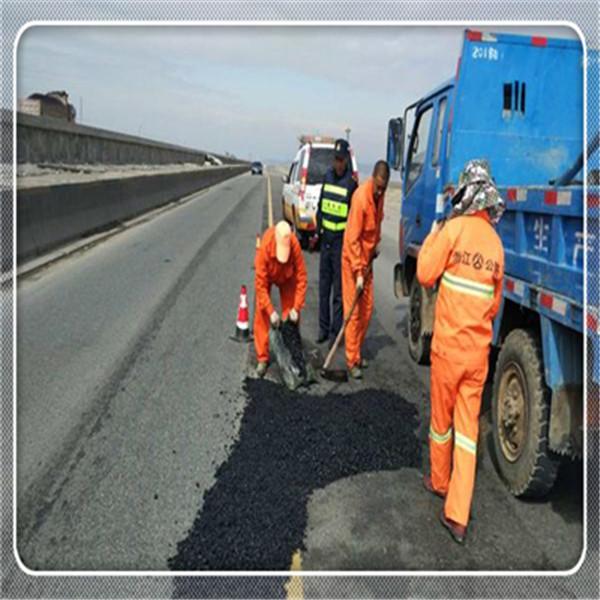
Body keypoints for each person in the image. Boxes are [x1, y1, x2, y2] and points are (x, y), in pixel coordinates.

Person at [417, 159, 505, 544]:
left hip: (449, 351)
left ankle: (439, 481)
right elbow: (494, 305)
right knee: (468, 432)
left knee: (441, 423)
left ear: (467, 193)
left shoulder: (452, 231)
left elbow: (424, 274)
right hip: (477, 356)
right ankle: (457, 515)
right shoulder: (496, 246)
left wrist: (435, 235)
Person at [341, 160, 389, 379]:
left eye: (384, 187)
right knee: (353, 311)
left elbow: (375, 226)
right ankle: (351, 361)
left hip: (367, 261)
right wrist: (359, 271)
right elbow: (352, 240)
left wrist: (376, 245)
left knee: (367, 311)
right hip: (353, 261)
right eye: (378, 186)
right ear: (373, 179)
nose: (380, 191)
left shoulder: (380, 196)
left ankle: (357, 352)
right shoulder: (361, 198)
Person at [313, 138, 358, 345]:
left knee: (338, 293)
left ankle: (334, 333)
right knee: (324, 288)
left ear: (347, 160)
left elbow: (354, 219)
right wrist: (318, 230)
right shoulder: (327, 177)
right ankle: (323, 329)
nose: (338, 163)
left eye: (341, 160)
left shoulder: (351, 184)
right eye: (335, 159)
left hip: (340, 244)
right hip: (326, 242)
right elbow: (321, 206)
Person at [254, 220, 307, 378]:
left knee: (291, 317)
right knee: (262, 312)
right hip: (269, 276)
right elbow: (260, 286)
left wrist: (296, 309)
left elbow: (302, 278)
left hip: (287, 276)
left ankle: (292, 355)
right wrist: (271, 312)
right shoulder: (265, 248)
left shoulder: (295, 245)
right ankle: (262, 358)